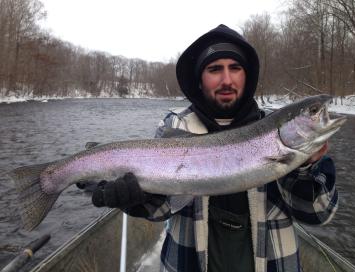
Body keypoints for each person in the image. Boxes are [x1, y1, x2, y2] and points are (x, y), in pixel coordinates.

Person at [91, 24, 338, 272]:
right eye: (214, 69)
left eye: (235, 68)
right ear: (199, 79)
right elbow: (162, 209)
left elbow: (317, 215)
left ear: (247, 75)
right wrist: (136, 199)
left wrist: (305, 168)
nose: (227, 79)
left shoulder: (278, 133)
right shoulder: (175, 125)